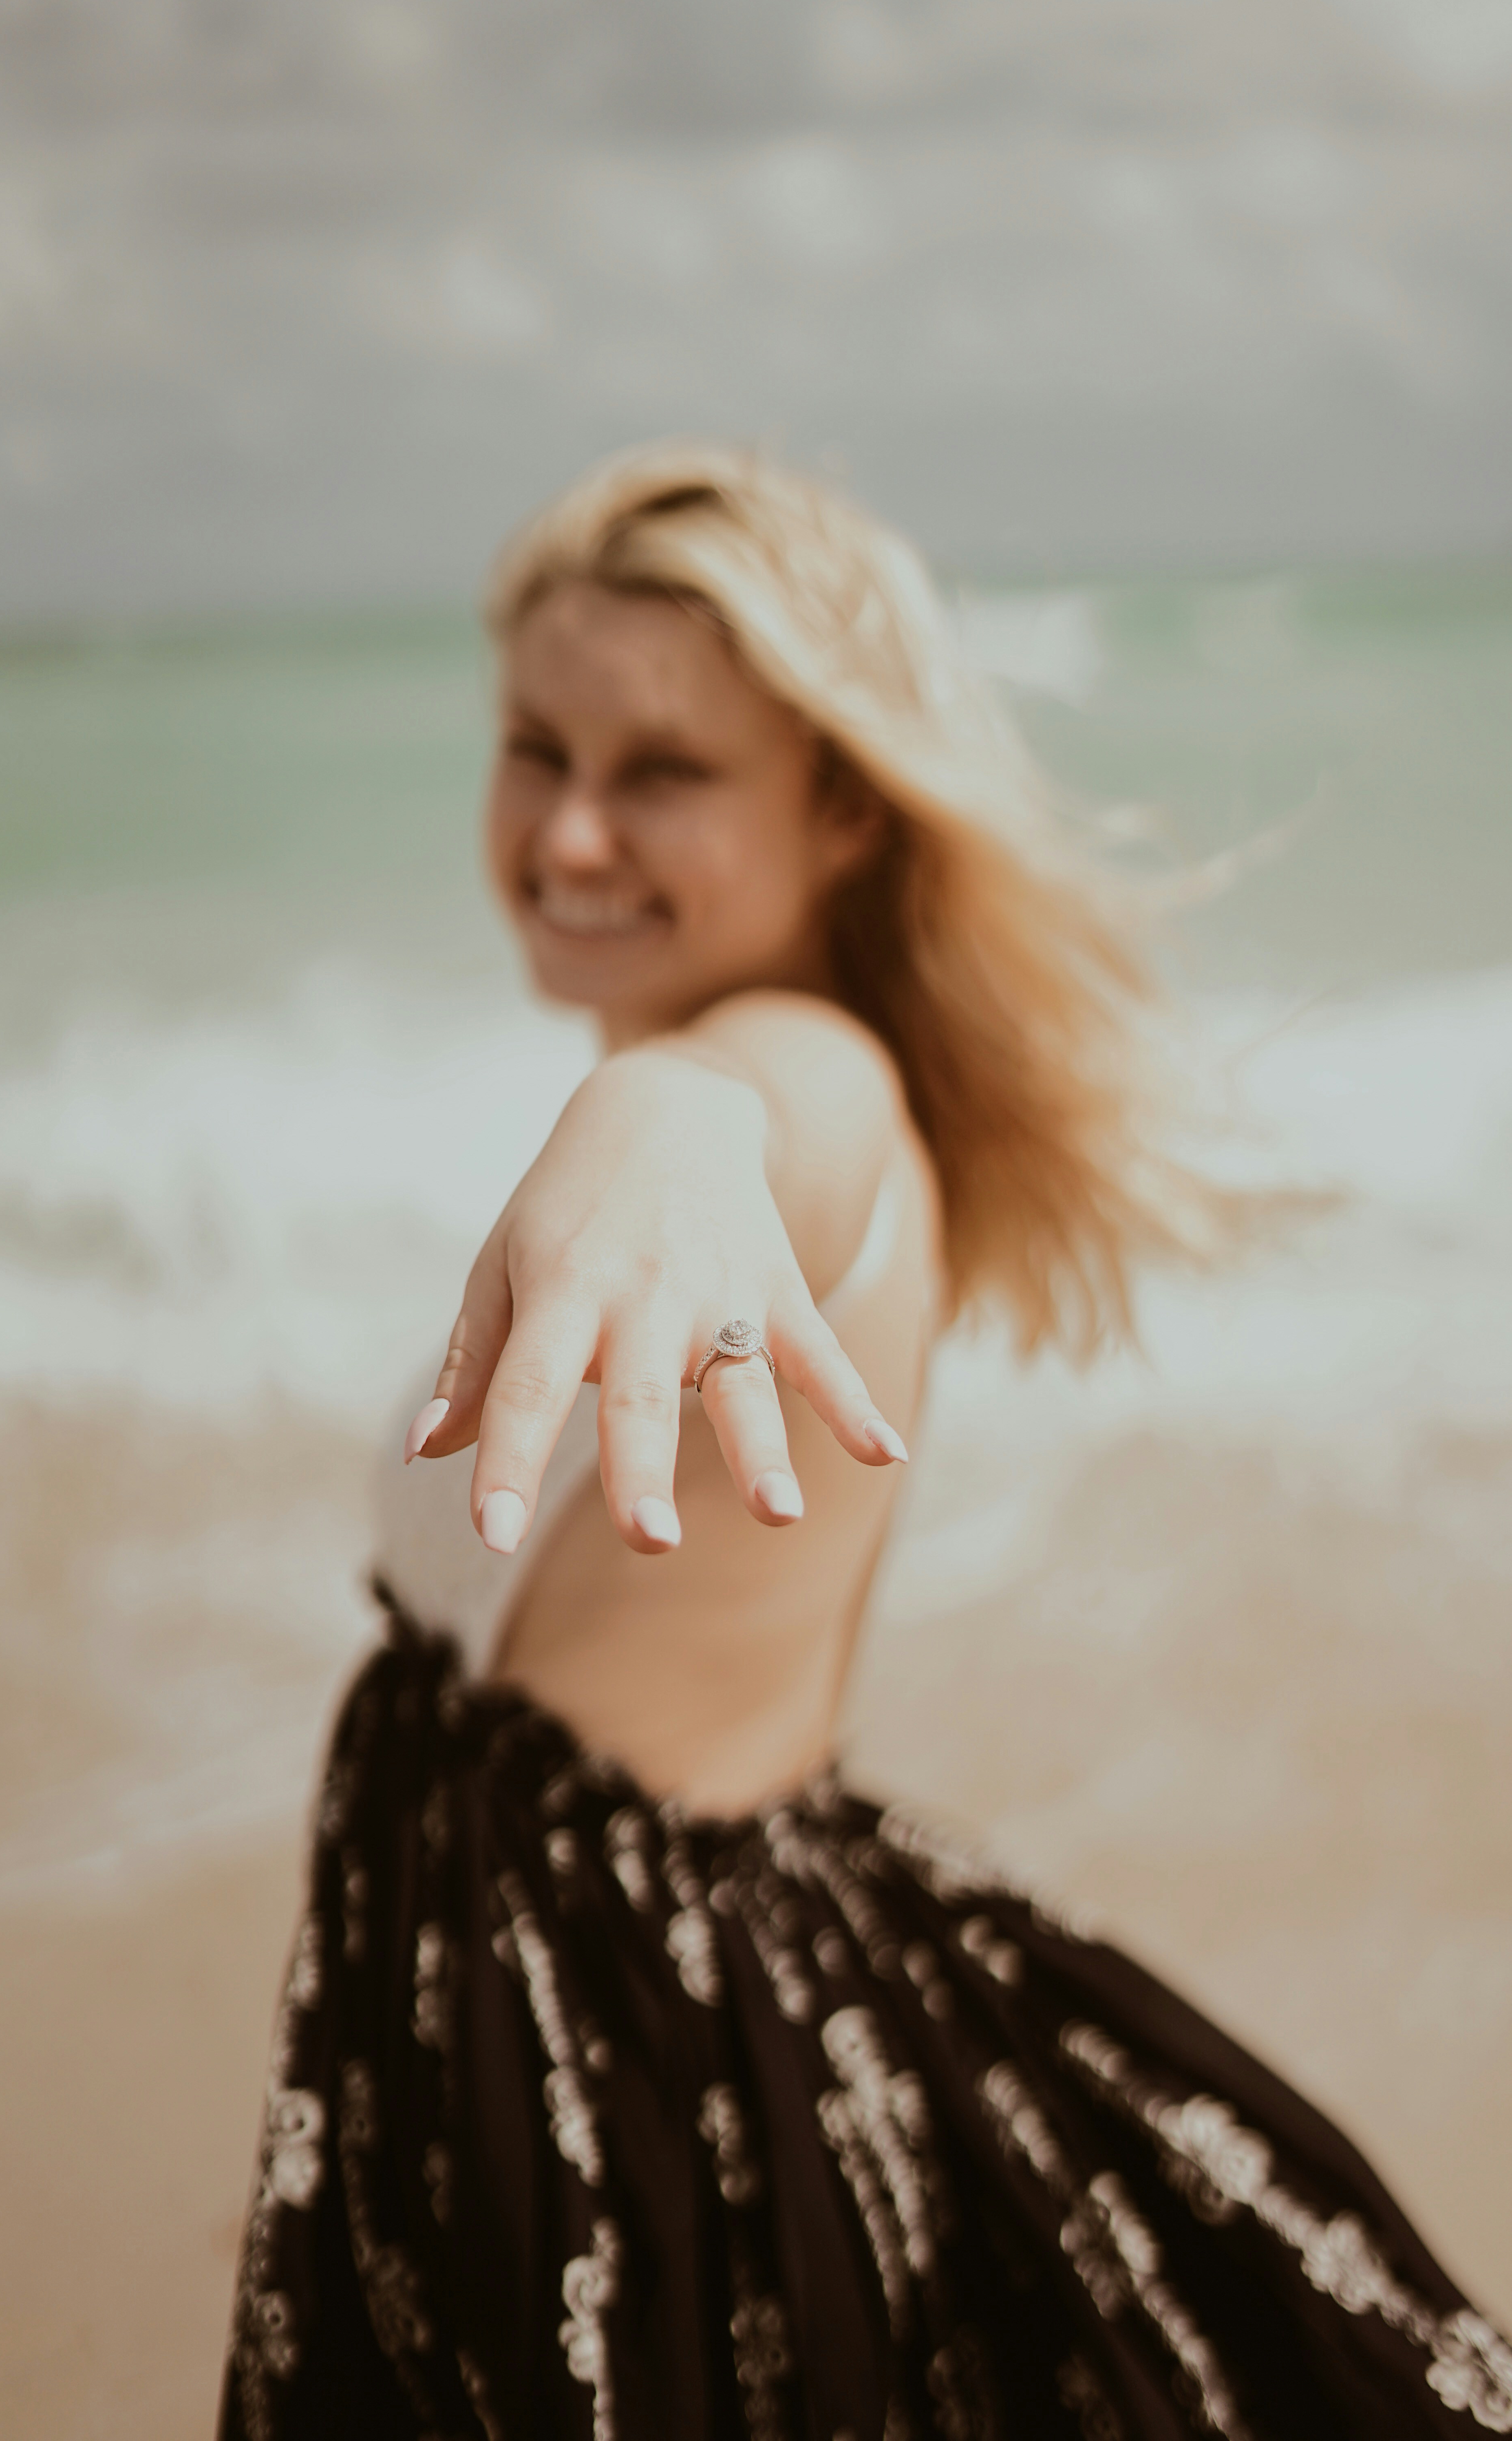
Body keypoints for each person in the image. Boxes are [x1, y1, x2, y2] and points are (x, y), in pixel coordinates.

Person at [219, 448, 1510, 2441]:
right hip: (587, 1976)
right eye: (533, 746)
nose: (569, 830)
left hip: (621, 2056)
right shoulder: (724, 1073)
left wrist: (664, 1121)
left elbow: (745, 1114)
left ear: (841, 806)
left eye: (664, 770)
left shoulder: (794, 1091)